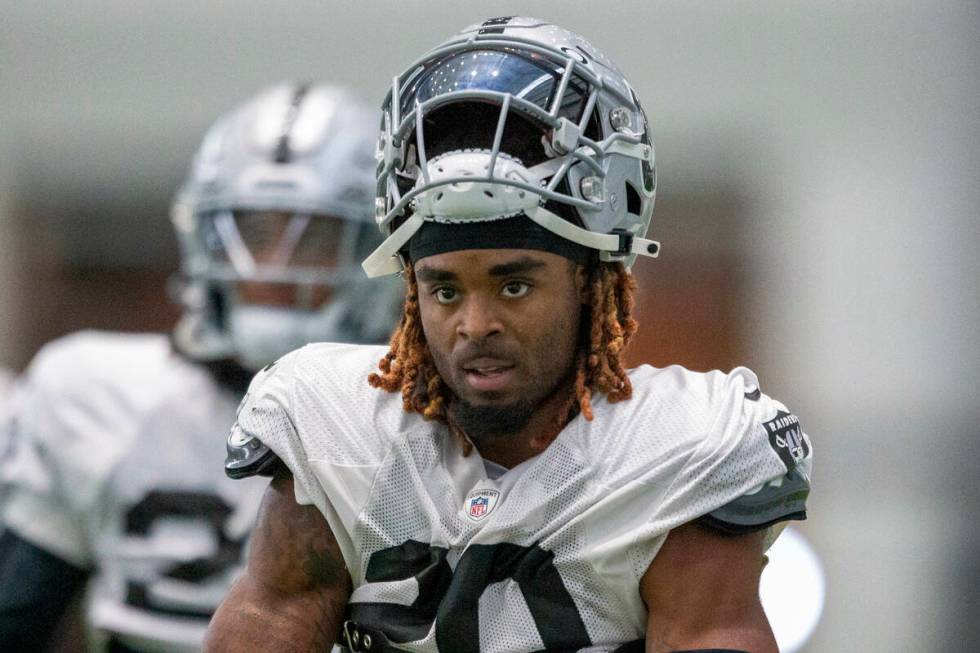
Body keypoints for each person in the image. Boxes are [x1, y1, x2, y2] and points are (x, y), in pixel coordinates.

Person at [207, 17, 813, 653]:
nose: (475, 326)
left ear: (588, 280)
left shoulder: (680, 452)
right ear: (411, 292)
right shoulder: (328, 426)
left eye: (514, 286)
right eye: (445, 290)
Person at [0, 83, 401, 652]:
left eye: (311, 238)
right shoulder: (90, 393)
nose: (272, 268)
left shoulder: (421, 419)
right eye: (253, 234)